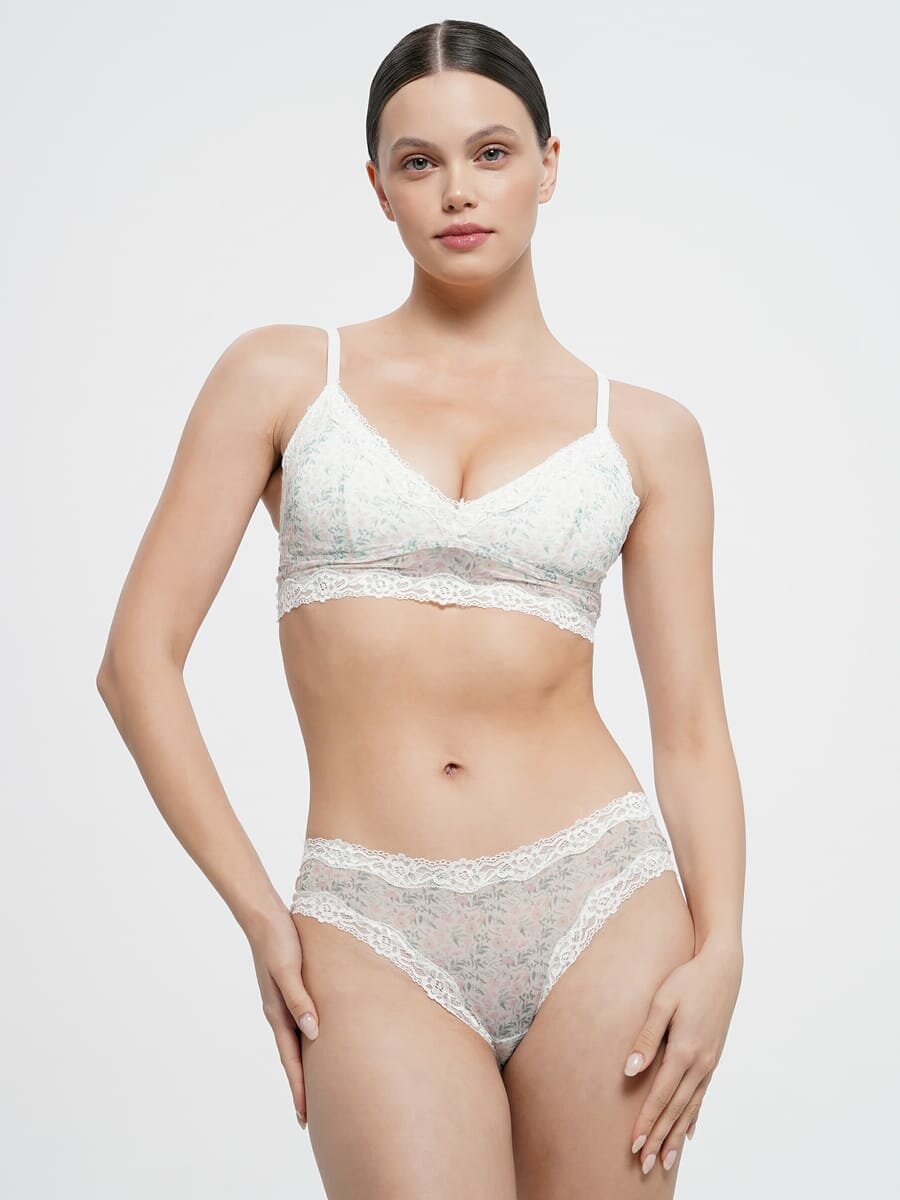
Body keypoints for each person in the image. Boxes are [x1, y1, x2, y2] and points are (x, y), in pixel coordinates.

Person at [97, 18, 745, 1199]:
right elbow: (136, 662)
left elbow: (692, 730)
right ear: (378, 188)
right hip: (368, 917)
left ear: (550, 164)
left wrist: (725, 949)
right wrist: (262, 915)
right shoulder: (283, 376)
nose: (458, 190)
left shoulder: (650, 434)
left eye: (492, 153)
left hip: (603, 900)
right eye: (419, 161)